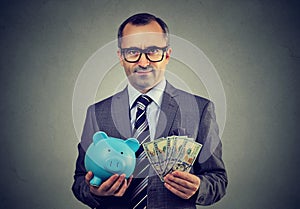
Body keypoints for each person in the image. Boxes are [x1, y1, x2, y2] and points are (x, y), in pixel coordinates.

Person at [72, 13, 227, 209]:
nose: (143, 62)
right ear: (121, 57)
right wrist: (94, 192)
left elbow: (218, 179)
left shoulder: (200, 109)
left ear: (167, 55)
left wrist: (199, 188)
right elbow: (79, 181)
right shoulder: (97, 112)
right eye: (132, 52)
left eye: (153, 51)